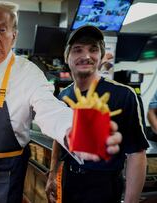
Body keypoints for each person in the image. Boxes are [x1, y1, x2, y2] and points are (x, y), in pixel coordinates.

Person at [0, 2, 122, 202]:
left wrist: (78, 130)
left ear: (14, 35)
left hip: (2, 186)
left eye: (2, 29)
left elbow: (51, 110)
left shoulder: (29, 75)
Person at [45, 25, 149, 203]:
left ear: (101, 56)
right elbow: (58, 137)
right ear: (67, 57)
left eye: (93, 50)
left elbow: (136, 154)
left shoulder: (123, 95)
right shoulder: (63, 96)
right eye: (78, 50)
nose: (86, 56)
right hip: (69, 180)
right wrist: (53, 173)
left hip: (103, 185)